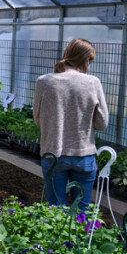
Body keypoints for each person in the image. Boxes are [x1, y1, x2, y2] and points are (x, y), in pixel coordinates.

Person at [34, 38, 109, 211]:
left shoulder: (44, 81)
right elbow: (102, 123)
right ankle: (78, 238)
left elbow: (38, 119)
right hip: (84, 155)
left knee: (55, 211)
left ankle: (57, 239)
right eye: (90, 61)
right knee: (81, 211)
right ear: (85, 59)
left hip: (53, 153)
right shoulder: (93, 82)